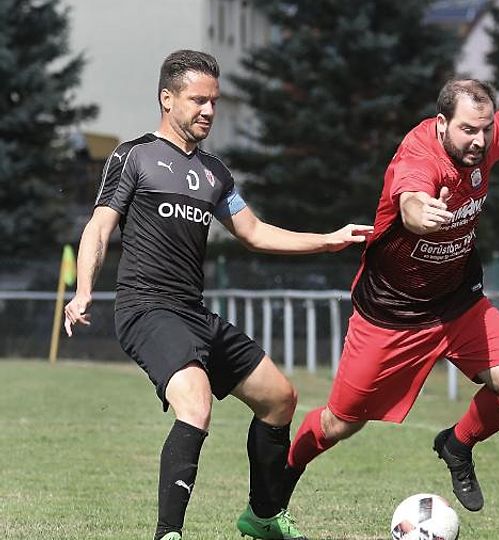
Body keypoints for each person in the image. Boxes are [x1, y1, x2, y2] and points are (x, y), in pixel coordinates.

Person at [284, 18, 499, 515]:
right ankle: (280, 475)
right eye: (468, 130)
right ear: (441, 124)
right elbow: (410, 199)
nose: (479, 140)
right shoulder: (420, 157)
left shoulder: (483, 140)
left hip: (457, 303)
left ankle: (457, 444)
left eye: (485, 129)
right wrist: (422, 214)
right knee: (340, 423)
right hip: (392, 313)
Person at [62, 50, 372, 540]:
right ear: (167, 99)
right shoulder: (133, 156)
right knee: (196, 404)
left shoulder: (215, 173)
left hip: (192, 312)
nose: (208, 110)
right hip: (145, 308)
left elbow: (255, 232)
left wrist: (328, 240)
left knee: (279, 399)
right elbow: (99, 228)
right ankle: (168, 533)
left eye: (214, 102)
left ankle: (263, 516)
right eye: (198, 100)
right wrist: (83, 292)